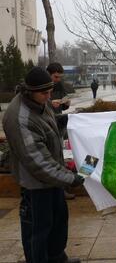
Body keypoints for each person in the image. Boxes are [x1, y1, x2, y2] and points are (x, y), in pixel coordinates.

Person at [2, 67, 85, 263]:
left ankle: (56, 257)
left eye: (50, 91)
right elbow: (38, 163)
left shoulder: (38, 101)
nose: (49, 97)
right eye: (44, 93)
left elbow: (45, 127)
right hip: (35, 184)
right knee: (38, 229)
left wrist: (62, 121)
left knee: (58, 221)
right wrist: (70, 179)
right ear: (29, 91)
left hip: (53, 179)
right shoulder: (19, 118)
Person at [47, 62, 75, 200]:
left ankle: (62, 189)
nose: (58, 80)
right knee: (52, 158)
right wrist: (49, 104)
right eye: (56, 77)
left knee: (61, 157)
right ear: (49, 74)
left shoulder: (59, 85)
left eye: (60, 77)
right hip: (47, 125)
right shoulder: (43, 86)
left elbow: (64, 103)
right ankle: (56, 190)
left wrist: (66, 103)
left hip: (59, 122)